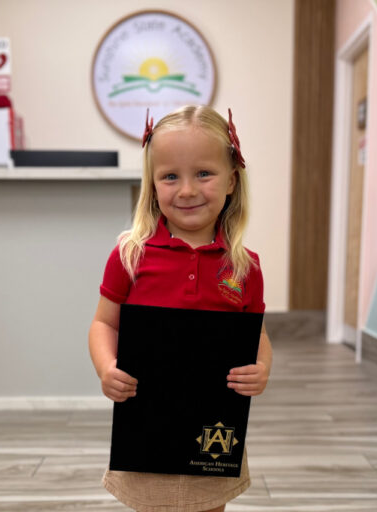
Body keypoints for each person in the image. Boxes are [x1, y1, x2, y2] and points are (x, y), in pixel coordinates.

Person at [88, 105, 273, 512]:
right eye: (170, 176)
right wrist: (106, 368)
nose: (186, 190)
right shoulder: (130, 255)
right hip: (147, 425)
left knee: (210, 507)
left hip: (213, 426)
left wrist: (261, 368)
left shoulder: (245, 266)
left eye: (203, 173)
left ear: (231, 181)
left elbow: (255, 333)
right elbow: (104, 323)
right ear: (152, 186)